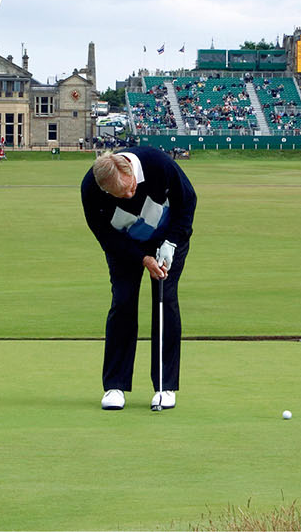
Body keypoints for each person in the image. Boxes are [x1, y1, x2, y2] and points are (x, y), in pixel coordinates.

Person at [82, 147, 197, 411]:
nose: (130, 195)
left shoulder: (158, 163)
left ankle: (164, 386)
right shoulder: (90, 189)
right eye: (121, 194)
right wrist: (141, 259)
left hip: (169, 238)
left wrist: (172, 242)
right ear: (105, 190)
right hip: (124, 245)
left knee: (165, 300)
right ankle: (115, 386)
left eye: (131, 187)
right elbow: (106, 237)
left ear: (130, 171)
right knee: (122, 301)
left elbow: (187, 201)